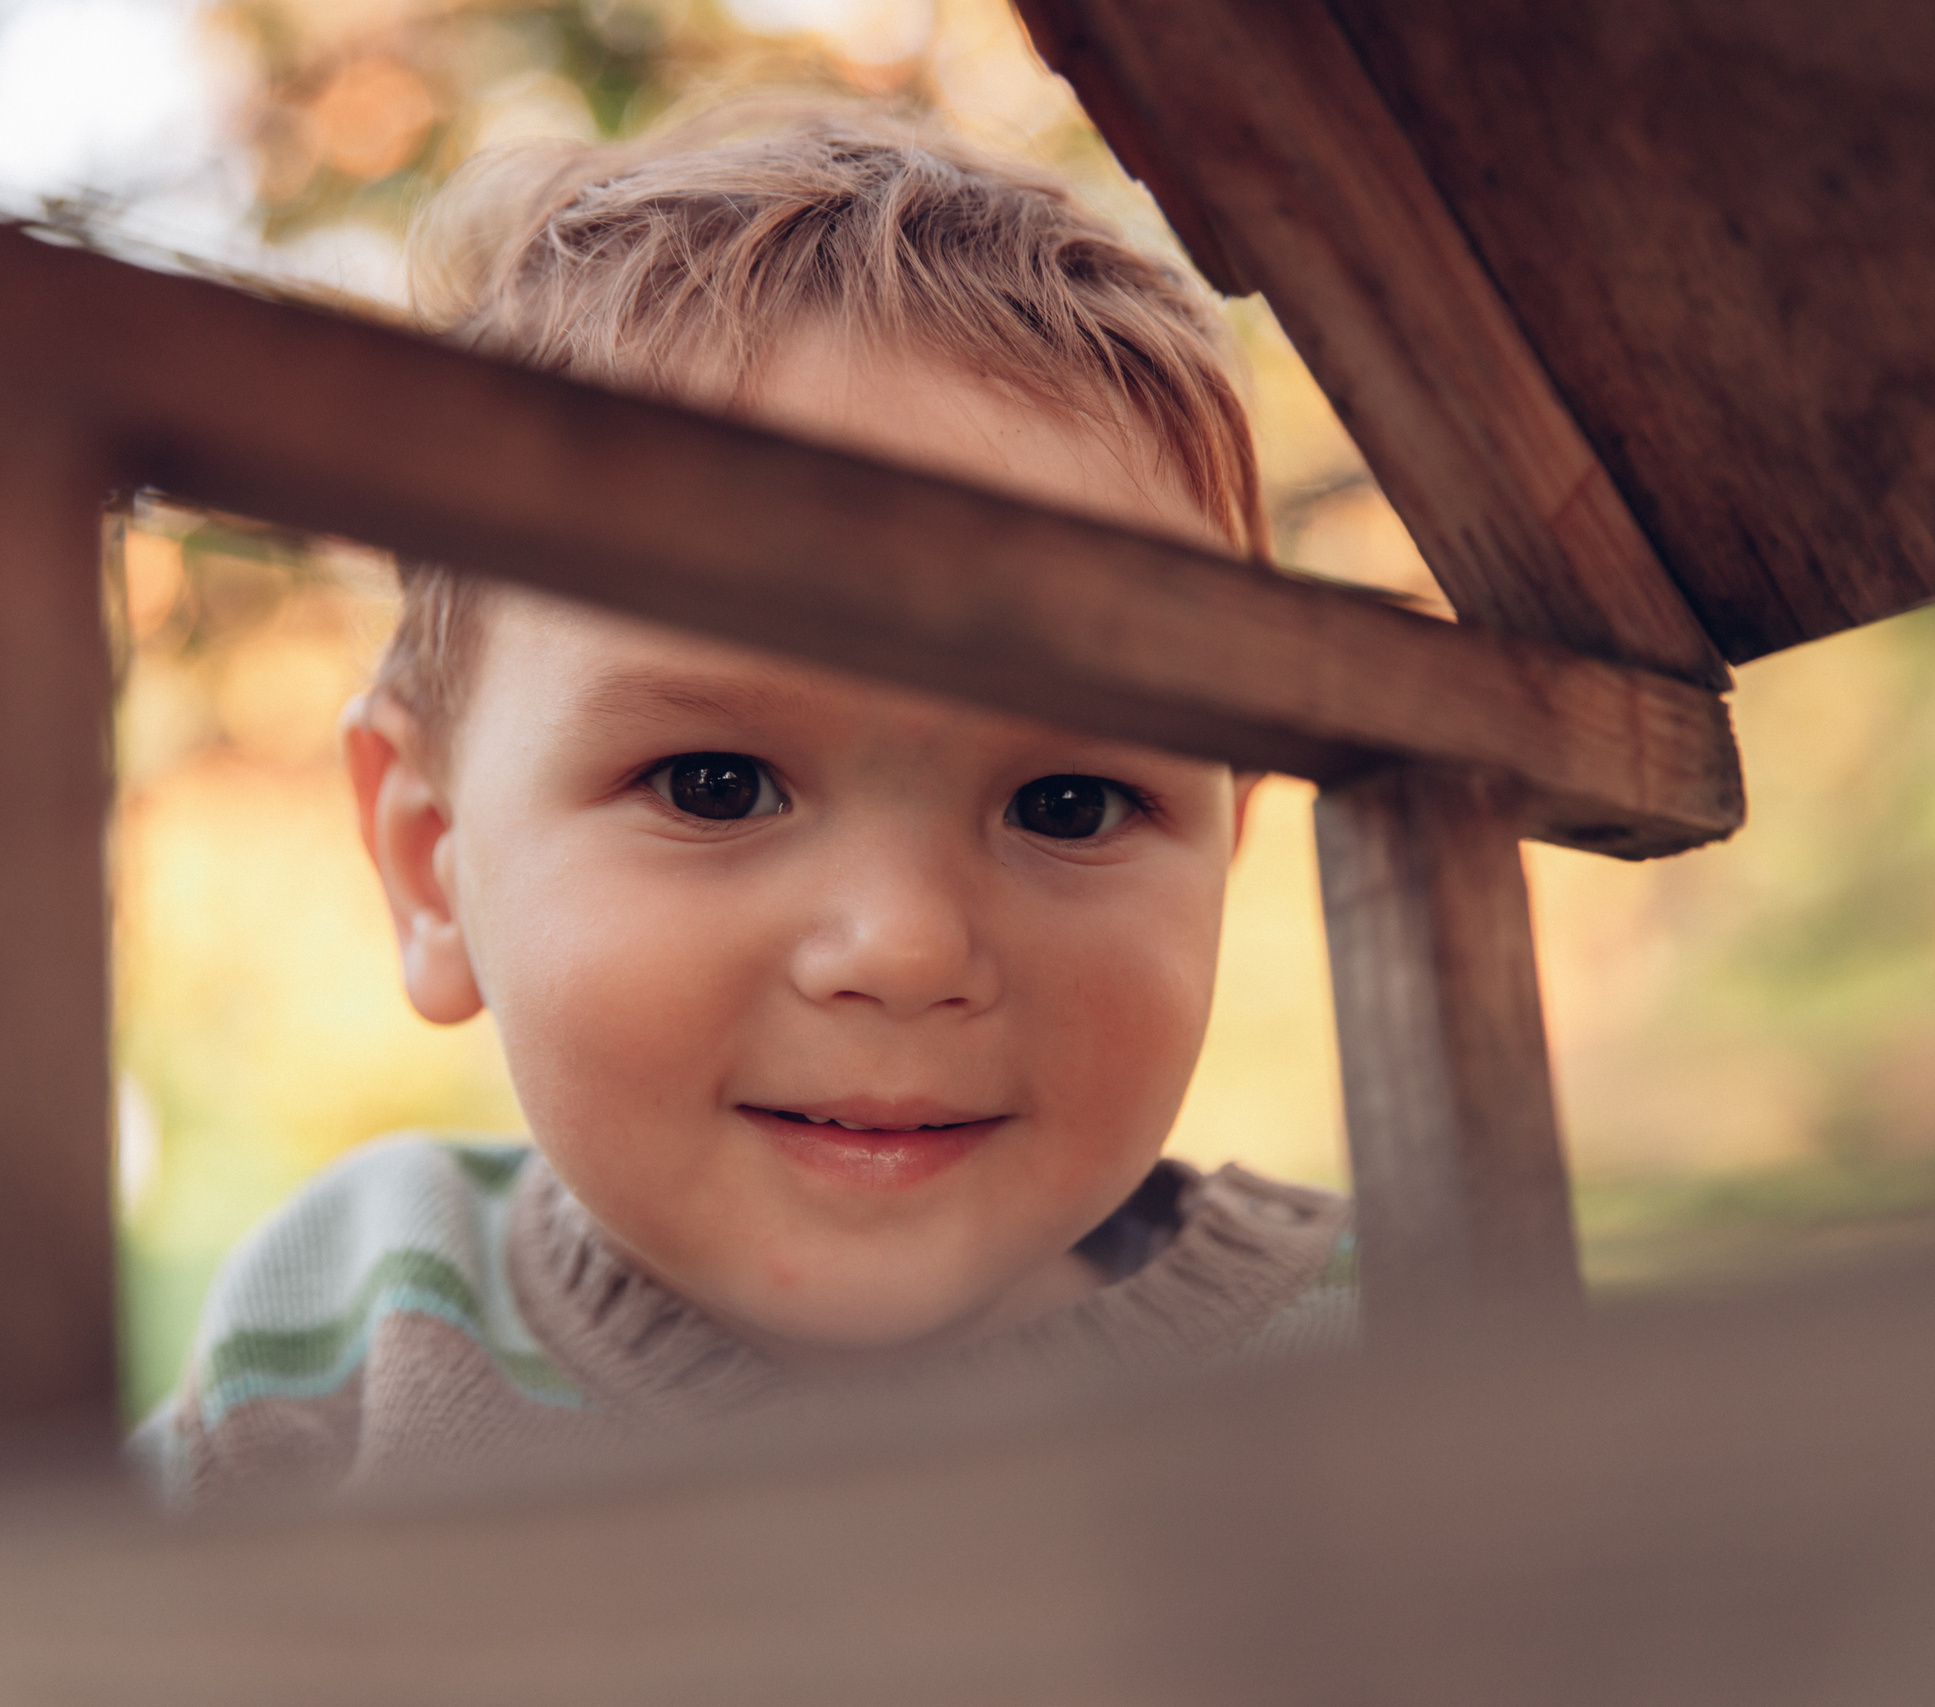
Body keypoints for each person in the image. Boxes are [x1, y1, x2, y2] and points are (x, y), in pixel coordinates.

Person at [138, 110, 1354, 1508]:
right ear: (433, 863)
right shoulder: (348, 1325)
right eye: (715, 787)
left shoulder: (1409, 1360)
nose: (902, 949)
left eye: (1070, 803)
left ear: (1224, 850)